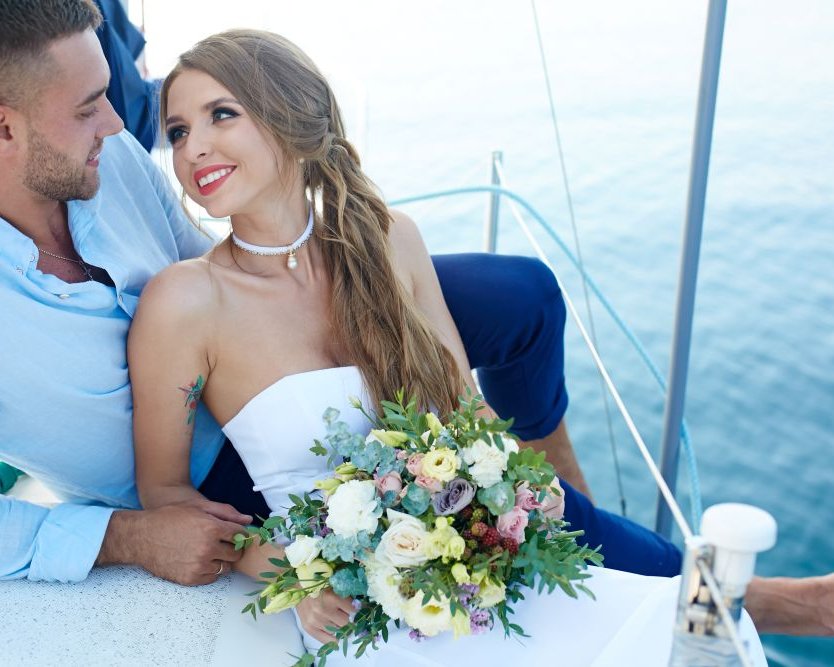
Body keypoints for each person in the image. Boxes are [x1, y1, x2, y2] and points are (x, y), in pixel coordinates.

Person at [0, 0, 829, 641]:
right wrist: (131, 538)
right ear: (7, 128)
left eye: (207, 117)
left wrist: (494, 482)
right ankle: (741, 595)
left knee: (524, 305)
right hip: (222, 469)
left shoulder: (108, 171)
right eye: (94, 107)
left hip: (272, 333)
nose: (127, 127)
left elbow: (201, 252)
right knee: (516, 514)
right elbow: (172, 423)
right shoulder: (176, 305)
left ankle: (563, 492)